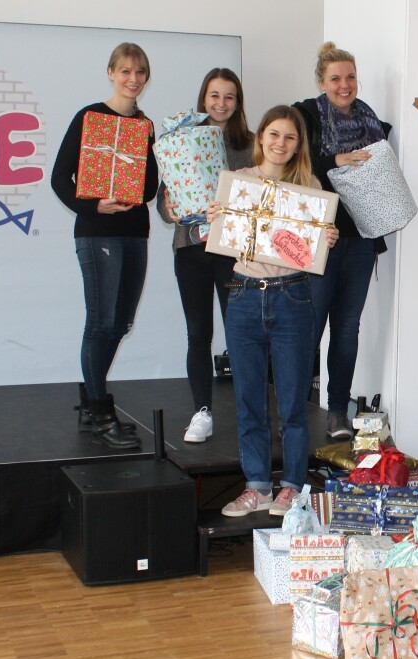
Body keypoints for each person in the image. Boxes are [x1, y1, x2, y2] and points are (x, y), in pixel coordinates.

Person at [207, 106, 338, 517]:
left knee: (294, 402)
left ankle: (293, 487)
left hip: (293, 298)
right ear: (261, 137)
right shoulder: (238, 184)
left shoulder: (310, 188)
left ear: (299, 145)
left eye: (290, 138)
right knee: (248, 399)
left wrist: (326, 237)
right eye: (274, 135)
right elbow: (220, 234)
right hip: (243, 297)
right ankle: (257, 487)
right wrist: (214, 219)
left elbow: (310, 249)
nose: (281, 144)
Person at [50, 42, 159, 449]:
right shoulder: (90, 117)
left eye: (140, 73)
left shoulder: (145, 126)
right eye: (126, 71)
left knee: (121, 322)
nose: (133, 79)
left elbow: (149, 186)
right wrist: (95, 203)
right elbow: (61, 178)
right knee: (101, 321)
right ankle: (99, 408)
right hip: (97, 233)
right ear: (111, 72)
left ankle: (91, 399)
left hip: (135, 232)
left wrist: (138, 192)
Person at [293, 43, 392, 442]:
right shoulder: (306, 116)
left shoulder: (372, 122)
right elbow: (295, 166)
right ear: (322, 81)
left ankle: (337, 411)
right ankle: (296, 408)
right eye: (335, 78)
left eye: (350, 76)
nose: (344, 84)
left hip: (361, 239)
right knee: (310, 327)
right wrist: (335, 161)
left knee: (347, 327)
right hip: (321, 235)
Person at [156, 69, 254, 444]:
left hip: (233, 254)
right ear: (203, 99)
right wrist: (169, 209)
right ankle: (202, 413)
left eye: (229, 97)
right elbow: (166, 203)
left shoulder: (251, 144)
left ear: (238, 102)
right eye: (214, 95)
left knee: (241, 334)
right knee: (198, 333)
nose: (221, 103)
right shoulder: (180, 141)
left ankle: (251, 412)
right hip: (191, 250)